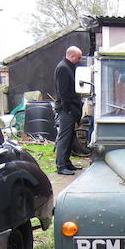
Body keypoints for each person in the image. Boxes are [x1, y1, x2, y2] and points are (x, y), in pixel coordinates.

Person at [54, 46, 83, 175]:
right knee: (64, 137)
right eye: (78, 57)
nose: (80, 60)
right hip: (67, 110)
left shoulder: (69, 67)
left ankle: (66, 162)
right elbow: (63, 92)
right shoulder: (63, 68)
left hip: (71, 108)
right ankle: (61, 166)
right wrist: (69, 110)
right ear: (71, 56)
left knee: (70, 137)